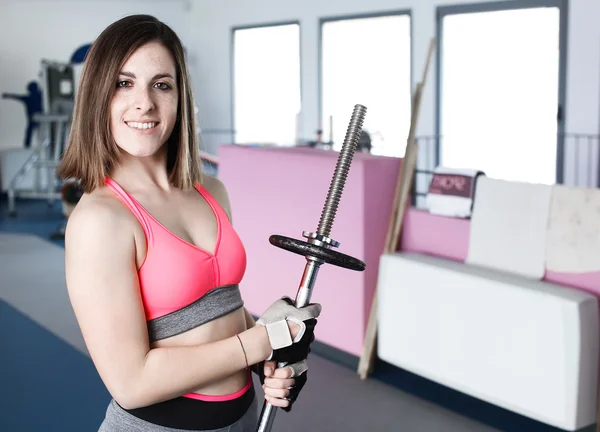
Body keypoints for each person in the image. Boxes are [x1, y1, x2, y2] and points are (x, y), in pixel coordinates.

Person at [57, 14, 321, 432]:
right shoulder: (101, 219)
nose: (144, 102)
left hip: (243, 417)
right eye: (124, 83)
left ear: (180, 97)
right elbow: (132, 382)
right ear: (97, 95)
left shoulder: (211, 191)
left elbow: (218, 310)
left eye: (161, 84)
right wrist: (260, 341)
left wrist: (270, 355)